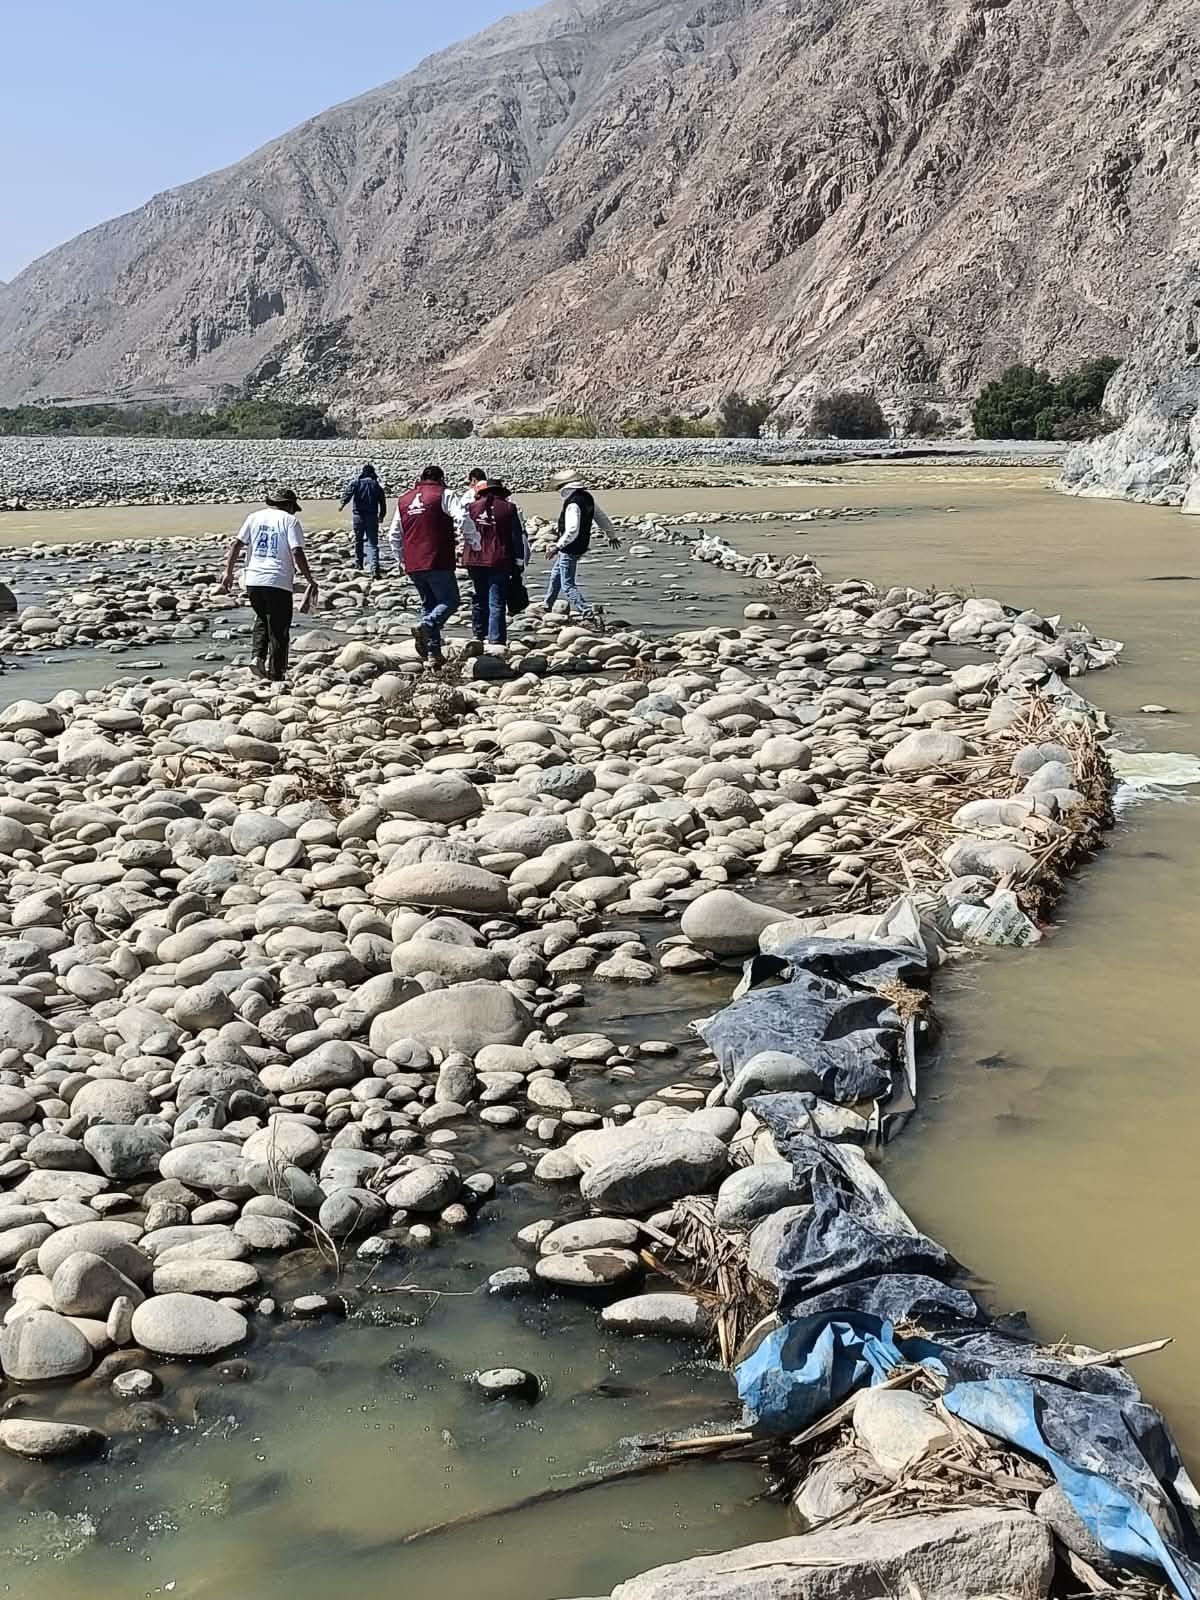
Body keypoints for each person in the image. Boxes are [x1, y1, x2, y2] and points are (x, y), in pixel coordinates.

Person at [220, 486, 316, 682]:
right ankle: (276, 674)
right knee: (280, 629)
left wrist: (227, 572)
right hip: (277, 580)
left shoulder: (254, 517)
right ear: (289, 505)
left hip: (253, 579)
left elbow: (236, 544)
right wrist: (309, 578)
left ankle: (257, 658)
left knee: (263, 618)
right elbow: (297, 551)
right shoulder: (290, 521)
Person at [389, 465, 468, 666]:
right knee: (450, 601)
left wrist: (401, 559)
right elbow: (462, 517)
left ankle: (433, 654)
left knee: (429, 604)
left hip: (414, 563)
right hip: (437, 558)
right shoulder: (444, 494)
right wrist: (471, 541)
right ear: (441, 479)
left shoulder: (404, 499)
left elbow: (393, 535)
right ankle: (428, 625)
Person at [544, 467, 620, 626]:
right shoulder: (587, 497)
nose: (558, 491)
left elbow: (572, 529)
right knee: (556, 574)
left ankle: (588, 614)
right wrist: (611, 535)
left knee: (568, 584)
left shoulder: (573, 504)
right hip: (581, 545)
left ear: (565, 487)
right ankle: (547, 605)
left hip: (570, 548)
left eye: (559, 488)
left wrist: (557, 546)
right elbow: (601, 517)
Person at [462, 479, 529, 651]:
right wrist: (519, 562)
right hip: (499, 559)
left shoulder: (472, 507)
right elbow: (516, 537)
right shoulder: (508, 508)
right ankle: (496, 641)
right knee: (497, 602)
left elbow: (463, 531)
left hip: (474, 560)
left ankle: (478, 635)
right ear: (502, 493)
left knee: (479, 597)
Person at [338, 462, 387, 576]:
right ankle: (375, 567)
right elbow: (382, 503)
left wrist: (342, 505)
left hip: (358, 516)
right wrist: (382, 516)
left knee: (358, 540)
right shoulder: (376, 485)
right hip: (372, 516)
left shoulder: (356, 483)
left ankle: (359, 564)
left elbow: (347, 495)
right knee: (373, 543)